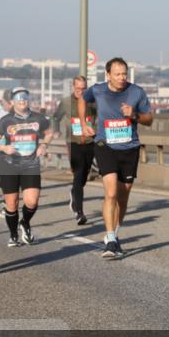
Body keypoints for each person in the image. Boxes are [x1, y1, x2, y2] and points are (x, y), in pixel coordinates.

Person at [80, 58, 153, 259]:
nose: (122, 78)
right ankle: (110, 239)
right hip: (105, 145)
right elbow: (82, 99)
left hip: (130, 147)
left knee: (123, 195)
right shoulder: (98, 90)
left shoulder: (136, 92)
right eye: (118, 74)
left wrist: (135, 115)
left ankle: (115, 234)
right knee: (111, 192)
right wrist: (84, 122)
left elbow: (150, 119)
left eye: (124, 74)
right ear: (108, 75)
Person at [0, 87, 54, 247]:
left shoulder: (39, 118)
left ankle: (24, 222)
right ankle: (13, 235)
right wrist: (4, 148)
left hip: (30, 164)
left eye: (25, 97)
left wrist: (44, 145)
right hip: (9, 165)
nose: (22, 100)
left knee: (31, 201)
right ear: (12, 102)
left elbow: (50, 132)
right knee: (12, 203)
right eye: (18, 98)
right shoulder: (6, 120)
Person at [61, 76, 96, 225]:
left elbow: (100, 116)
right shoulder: (66, 103)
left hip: (90, 142)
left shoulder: (92, 102)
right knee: (78, 172)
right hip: (73, 142)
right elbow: (55, 118)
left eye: (84, 88)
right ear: (73, 87)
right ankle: (79, 212)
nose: (81, 91)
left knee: (83, 176)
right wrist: (58, 131)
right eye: (78, 88)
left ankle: (74, 192)